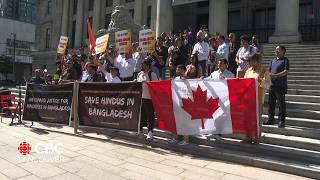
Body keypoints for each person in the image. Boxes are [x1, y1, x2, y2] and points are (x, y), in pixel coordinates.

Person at [243, 54, 270, 144]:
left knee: (256, 119)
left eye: (251, 61)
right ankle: (248, 137)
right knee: (248, 119)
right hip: (248, 99)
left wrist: (260, 81)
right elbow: (243, 83)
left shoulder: (264, 71)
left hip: (258, 99)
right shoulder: (248, 71)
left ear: (256, 61)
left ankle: (257, 138)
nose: (250, 63)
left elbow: (268, 85)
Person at [265, 45, 289, 128]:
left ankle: (281, 121)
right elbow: (268, 71)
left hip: (281, 86)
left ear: (283, 51)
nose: (276, 51)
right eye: (276, 50)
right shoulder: (273, 60)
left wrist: (275, 75)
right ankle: (270, 120)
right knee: (271, 104)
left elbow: (285, 72)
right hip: (272, 85)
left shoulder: (285, 60)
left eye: (278, 50)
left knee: (281, 104)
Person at [136, 58, 159, 140]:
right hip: (140, 98)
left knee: (150, 116)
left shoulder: (152, 74)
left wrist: (147, 83)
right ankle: (140, 130)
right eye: (141, 64)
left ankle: (150, 132)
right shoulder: (139, 74)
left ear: (147, 65)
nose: (141, 66)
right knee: (140, 115)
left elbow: (156, 85)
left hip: (149, 98)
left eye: (143, 64)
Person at [171, 64, 189, 145]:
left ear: (183, 70)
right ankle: (175, 137)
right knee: (176, 121)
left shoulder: (189, 80)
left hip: (186, 104)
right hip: (176, 104)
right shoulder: (175, 79)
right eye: (176, 69)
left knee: (185, 122)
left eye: (178, 69)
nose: (176, 71)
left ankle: (186, 140)